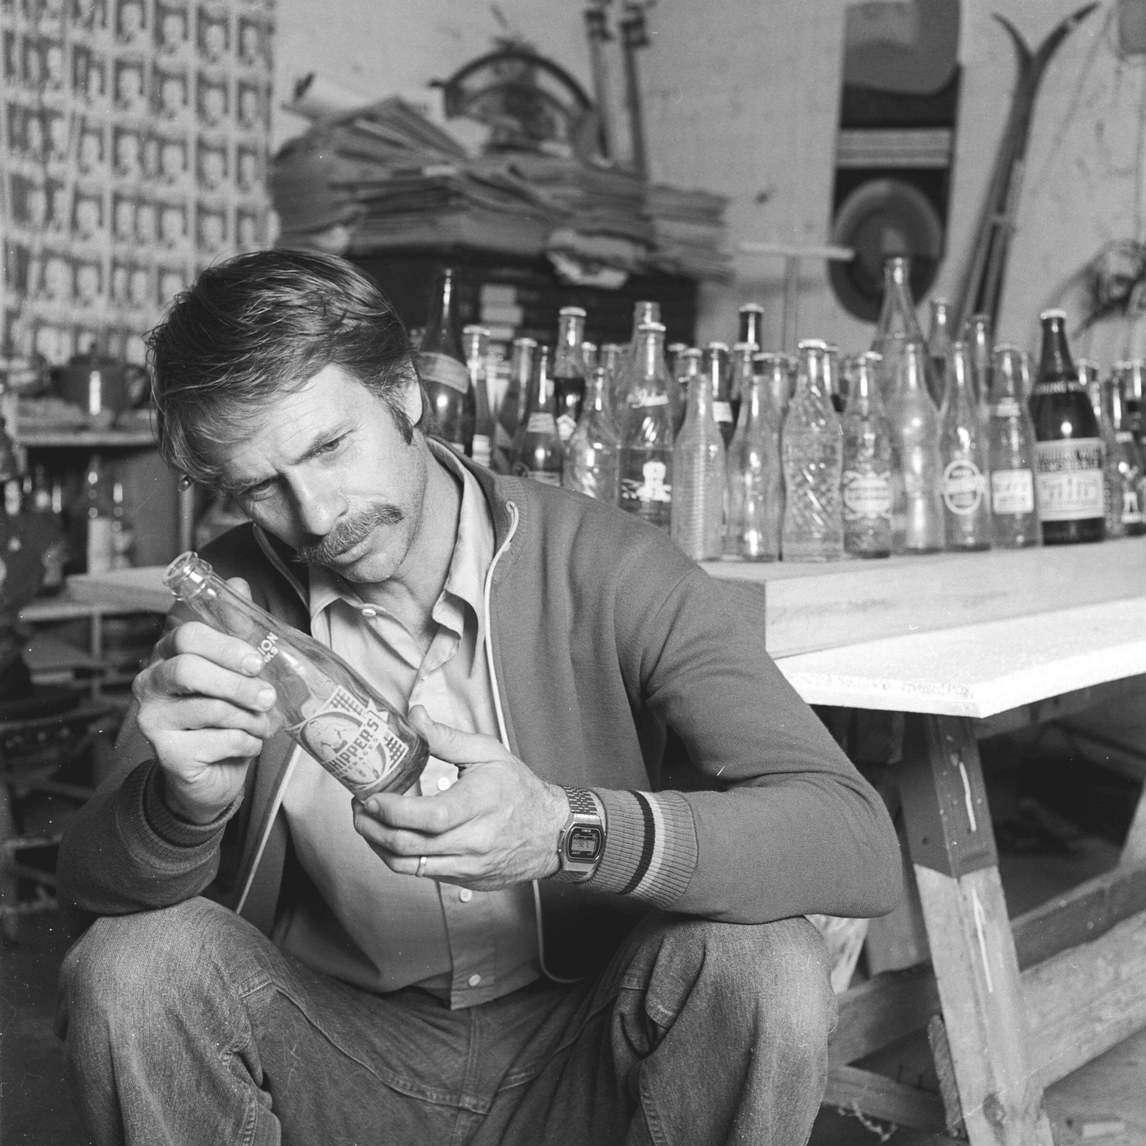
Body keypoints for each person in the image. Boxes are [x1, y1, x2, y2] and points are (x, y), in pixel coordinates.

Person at [56, 250, 901, 1146]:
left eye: (331, 447)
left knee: (764, 962)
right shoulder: (230, 604)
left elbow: (852, 838)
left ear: (406, 393)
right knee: (132, 968)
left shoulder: (606, 564)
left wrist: (569, 827)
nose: (314, 515)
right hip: (334, 1057)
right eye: (262, 486)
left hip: (585, 1047)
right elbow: (91, 889)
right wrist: (181, 810)